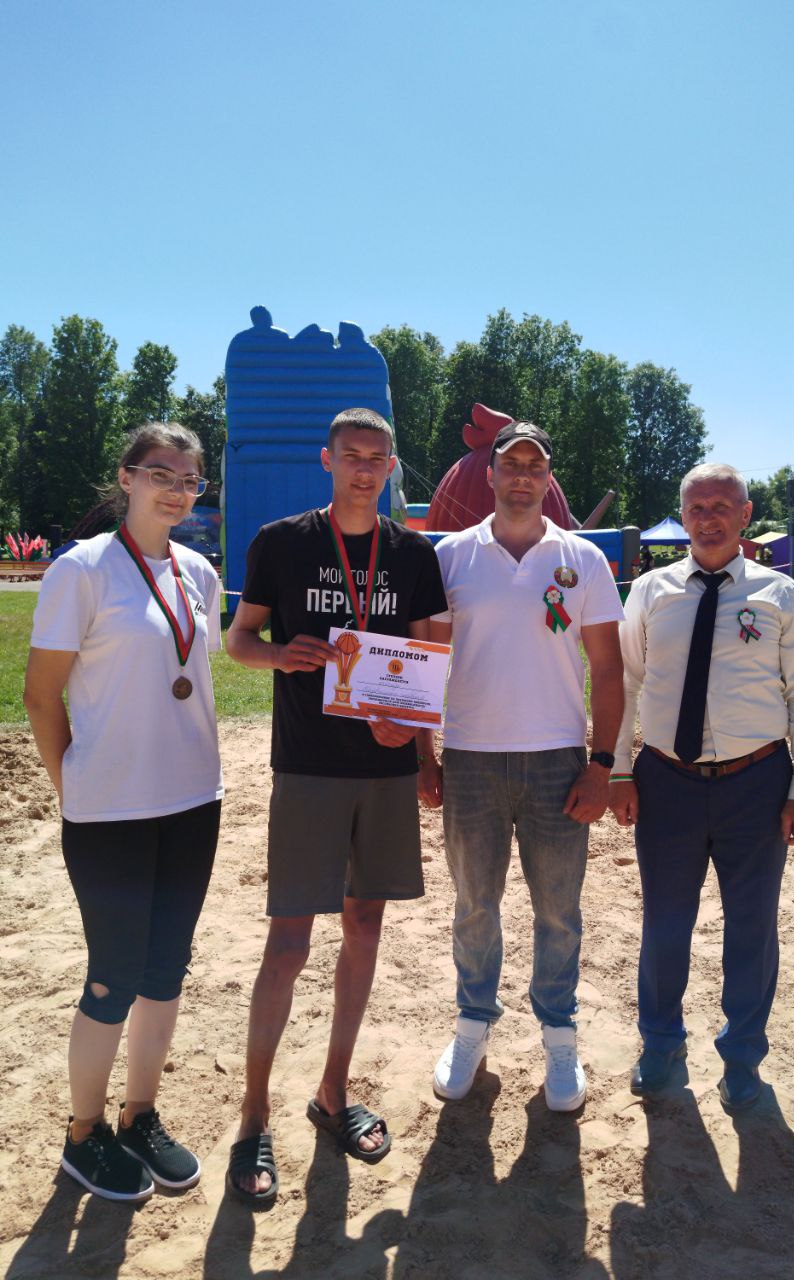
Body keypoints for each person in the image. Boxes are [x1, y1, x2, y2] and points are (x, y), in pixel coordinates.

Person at [225, 407, 447, 1207]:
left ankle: (332, 1091)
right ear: (327, 460)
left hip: (383, 772)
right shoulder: (282, 542)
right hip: (308, 768)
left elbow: (429, 656)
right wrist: (280, 655)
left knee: (364, 930)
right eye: (351, 455)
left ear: (391, 467)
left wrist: (417, 741)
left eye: (377, 458)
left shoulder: (413, 552)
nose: (364, 469)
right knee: (288, 945)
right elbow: (238, 640)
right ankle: (253, 1117)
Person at [24, 423, 223, 1202]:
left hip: (193, 801)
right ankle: (84, 1133)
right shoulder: (82, 569)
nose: (176, 490)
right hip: (109, 812)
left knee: (166, 970)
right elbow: (41, 696)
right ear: (127, 477)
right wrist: (74, 786)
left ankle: (140, 1115)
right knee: (112, 977)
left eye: (189, 480)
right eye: (160, 474)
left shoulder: (199, 573)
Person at [610, 462, 794, 1110]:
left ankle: (742, 1057)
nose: (708, 519)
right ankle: (660, 1043)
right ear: (683, 515)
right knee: (664, 921)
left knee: (752, 926)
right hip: (666, 781)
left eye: (721, 506)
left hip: (756, 782)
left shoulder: (780, 593)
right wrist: (619, 768)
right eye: (696, 508)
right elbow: (624, 682)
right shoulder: (651, 591)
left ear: (745, 514)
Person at [424, 421, 625, 1111]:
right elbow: (427, 662)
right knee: (474, 905)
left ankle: (559, 1036)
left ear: (548, 478)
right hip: (471, 758)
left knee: (559, 910)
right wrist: (426, 753)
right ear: (490, 474)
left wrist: (602, 765)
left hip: (558, 761)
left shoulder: (583, 560)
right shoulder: (452, 556)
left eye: (535, 466)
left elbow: (608, 668)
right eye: (511, 464)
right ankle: (473, 1024)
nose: (522, 477)